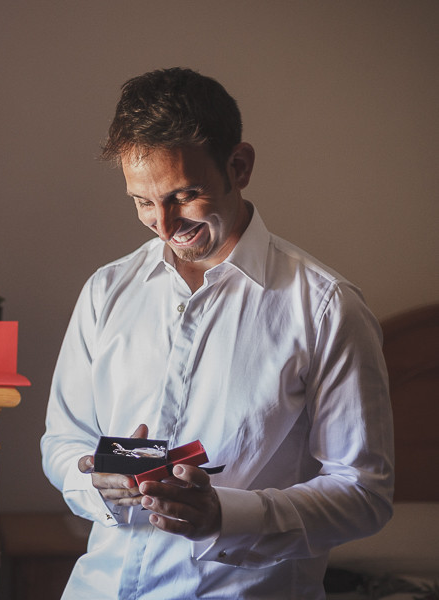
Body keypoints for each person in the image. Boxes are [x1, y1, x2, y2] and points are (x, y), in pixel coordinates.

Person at [40, 67, 393, 599]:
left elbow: (364, 494)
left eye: (184, 195)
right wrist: (97, 482)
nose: (163, 224)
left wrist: (224, 515)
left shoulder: (326, 308)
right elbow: (63, 440)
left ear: (240, 165)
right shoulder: (105, 290)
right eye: (141, 201)